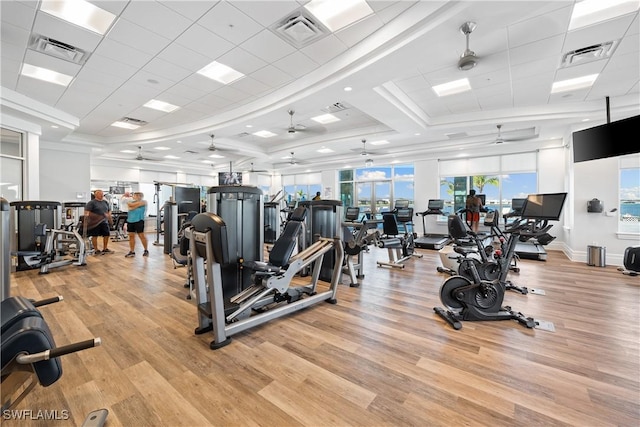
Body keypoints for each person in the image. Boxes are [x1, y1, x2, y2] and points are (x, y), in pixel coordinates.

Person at [84, 190, 113, 254]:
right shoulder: (91, 203)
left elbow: (109, 211)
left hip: (104, 222)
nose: (102, 195)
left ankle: (105, 248)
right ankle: (96, 249)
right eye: (100, 194)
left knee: (106, 234)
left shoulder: (105, 202)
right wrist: (97, 217)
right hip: (95, 222)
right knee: (95, 235)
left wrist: (109, 218)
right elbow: (87, 212)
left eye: (102, 194)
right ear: (96, 195)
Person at [125, 192, 149, 258]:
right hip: (130, 220)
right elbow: (130, 207)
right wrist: (136, 205)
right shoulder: (131, 202)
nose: (134, 196)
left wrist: (133, 206)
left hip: (139, 220)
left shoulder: (144, 202)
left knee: (141, 236)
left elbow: (131, 207)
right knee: (131, 236)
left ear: (140, 196)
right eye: (134, 195)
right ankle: (132, 251)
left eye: (136, 195)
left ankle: (146, 250)